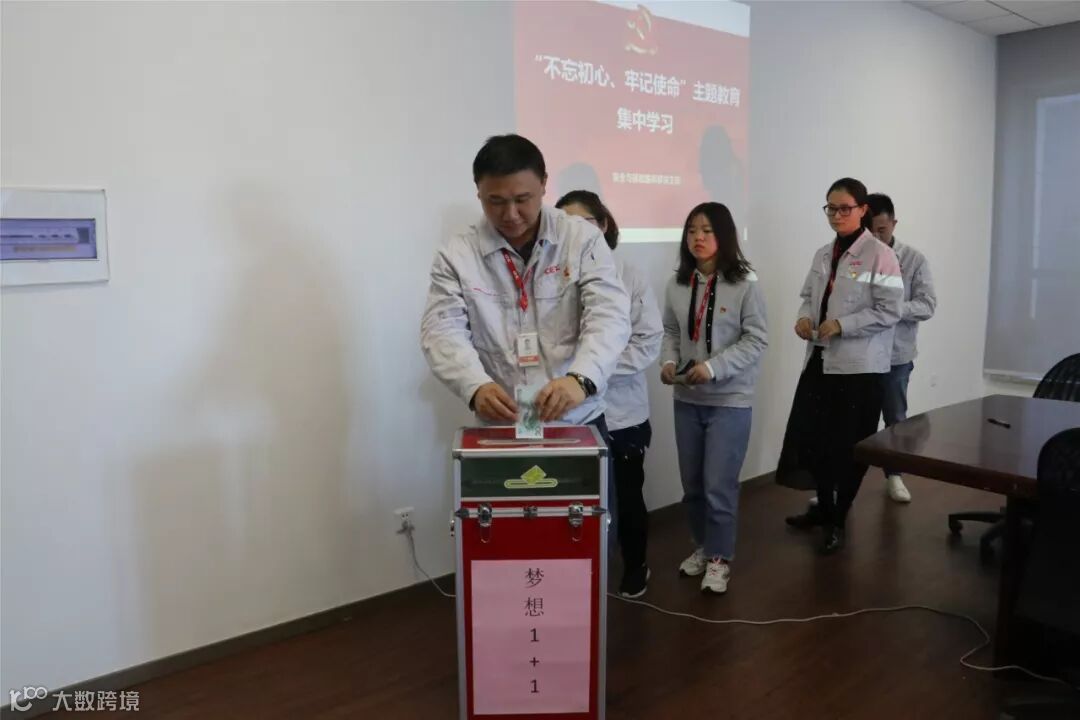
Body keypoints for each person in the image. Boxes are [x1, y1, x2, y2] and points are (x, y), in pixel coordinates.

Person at [420, 132, 630, 429]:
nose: (511, 214)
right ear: (478, 191)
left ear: (543, 184)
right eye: (495, 201)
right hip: (503, 420)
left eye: (522, 199)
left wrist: (582, 379)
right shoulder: (457, 255)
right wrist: (474, 385)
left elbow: (609, 315)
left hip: (576, 418)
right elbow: (442, 330)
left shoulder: (581, 239)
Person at [780, 178, 903, 555]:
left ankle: (839, 516)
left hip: (860, 370)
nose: (836, 215)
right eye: (830, 208)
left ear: (862, 210)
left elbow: (890, 310)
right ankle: (825, 507)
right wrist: (804, 318)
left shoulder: (881, 255)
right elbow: (807, 297)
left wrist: (843, 325)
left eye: (844, 208)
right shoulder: (822, 254)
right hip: (821, 362)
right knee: (815, 441)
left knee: (849, 448)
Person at [556, 190, 662, 598]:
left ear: (603, 225)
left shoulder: (628, 273)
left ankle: (635, 566)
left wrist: (589, 374)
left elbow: (647, 341)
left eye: (583, 222)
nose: (574, 232)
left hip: (621, 412)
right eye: (564, 224)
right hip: (571, 415)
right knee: (577, 500)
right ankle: (579, 577)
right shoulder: (553, 274)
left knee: (628, 496)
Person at [660, 202, 767, 594]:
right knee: (692, 486)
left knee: (718, 485)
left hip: (729, 400)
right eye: (692, 230)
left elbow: (757, 339)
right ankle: (703, 547)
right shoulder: (677, 283)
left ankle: (720, 558)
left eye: (707, 230)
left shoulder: (745, 283)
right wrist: (668, 361)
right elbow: (671, 331)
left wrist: (714, 367)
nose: (698, 238)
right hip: (687, 398)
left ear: (724, 235)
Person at [867, 193, 937, 503]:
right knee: (852, 421)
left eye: (881, 230)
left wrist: (891, 309)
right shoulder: (856, 258)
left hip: (896, 355)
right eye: (869, 230)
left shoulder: (913, 260)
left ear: (894, 223)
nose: (875, 237)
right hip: (859, 355)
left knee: (895, 418)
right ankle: (843, 484)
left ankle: (894, 476)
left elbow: (927, 304)